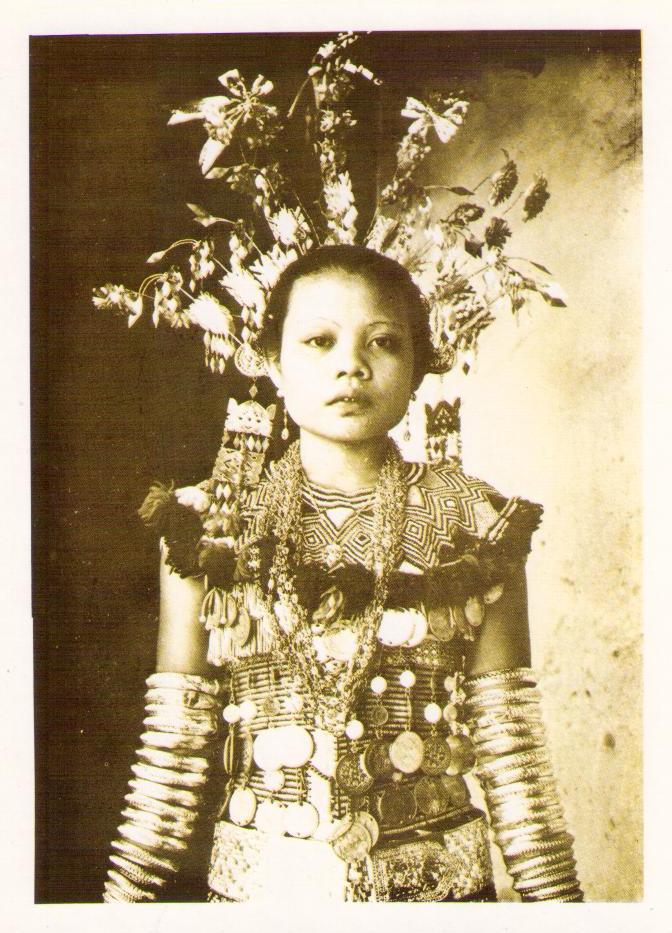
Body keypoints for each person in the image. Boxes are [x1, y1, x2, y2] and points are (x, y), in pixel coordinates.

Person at [103, 245, 582, 903]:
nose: (350, 365)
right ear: (270, 360)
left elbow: (513, 751)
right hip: (263, 894)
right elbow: (172, 752)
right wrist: (121, 903)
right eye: (319, 341)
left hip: (441, 891)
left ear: (419, 365)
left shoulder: (474, 520)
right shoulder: (207, 524)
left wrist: (557, 905)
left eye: (383, 342)